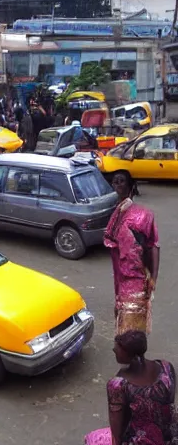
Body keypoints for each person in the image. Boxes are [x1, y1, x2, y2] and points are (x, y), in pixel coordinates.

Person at [85, 331, 175, 445]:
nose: (114, 350)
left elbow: (117, 433)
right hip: (170, 435)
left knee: (92, 439)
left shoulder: (118, 385)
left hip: (143, 440)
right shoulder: (166, 367)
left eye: (118, 348)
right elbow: (169, 403)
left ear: (129, 354)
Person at [104, 174, 159, 335]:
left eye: (122, 181)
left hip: (137, 277)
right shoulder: (114, 213)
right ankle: (129, 351)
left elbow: (153, 246)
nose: (118, 185)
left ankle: (135, 353)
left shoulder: (143, 215)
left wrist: (153, 278)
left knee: (133, 323)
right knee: (121, 315)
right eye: (115, 182)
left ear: (131, 186)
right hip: (120, 276)